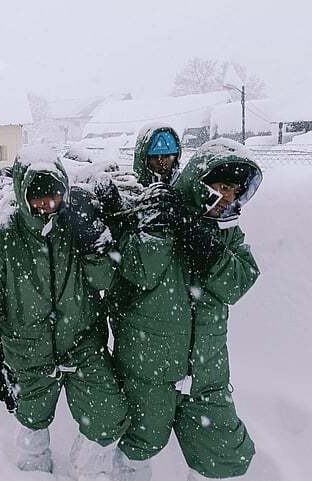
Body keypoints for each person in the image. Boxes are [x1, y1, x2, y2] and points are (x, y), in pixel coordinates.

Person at [0, 147, 130, 479]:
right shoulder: (2, 238)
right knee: (32, 422)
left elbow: (105, 280)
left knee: (109, 414)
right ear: (22, 194)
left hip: (83, 344)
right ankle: (34, 469)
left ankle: (87, 468)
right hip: (29, 351)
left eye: (54, 195)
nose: (47, 204)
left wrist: (95, 245)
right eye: (38, 196)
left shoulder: (76, 229)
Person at [110, 139, 263, 481]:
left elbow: (240, 280)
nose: (228, 197)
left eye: (236, 191)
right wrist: (160, 229)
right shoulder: (155, 212)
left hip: (206, 370)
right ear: (201, 182)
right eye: (222, 187)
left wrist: (204, 243)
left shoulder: (225, 230)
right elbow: (138, 272)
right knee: (140, 444)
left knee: (223, 455)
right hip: (150, 367)